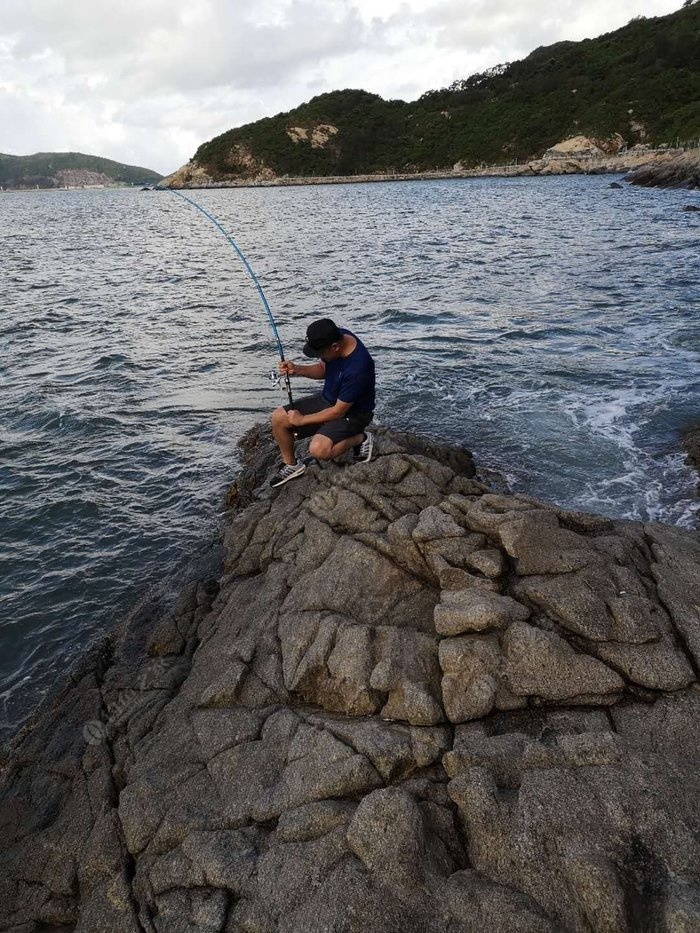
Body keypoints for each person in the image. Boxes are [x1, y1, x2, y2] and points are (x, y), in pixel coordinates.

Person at [269, 318, 375, 488]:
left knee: (319, 449)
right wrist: (296, 369)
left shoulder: (359, 368)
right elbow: (323, 370)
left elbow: (338, 412)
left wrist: (302, 420)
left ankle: (360, 438)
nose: (319, 357)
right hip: (328, 401)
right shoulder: (339, 336)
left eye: (320, 354)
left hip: (353, 413)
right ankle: (291, 465)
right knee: (279, 418)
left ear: (335, 347)